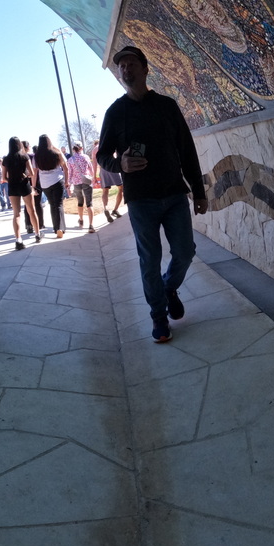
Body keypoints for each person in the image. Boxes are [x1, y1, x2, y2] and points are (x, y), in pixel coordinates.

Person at [97, 45, 208, 343]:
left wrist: (199, 192)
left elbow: (187, 150)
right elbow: (103, 156)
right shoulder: (115, 112)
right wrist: (120, 165)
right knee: (150, 259)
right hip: (140, 200)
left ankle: (168, 287)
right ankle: (158, 316)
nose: (125, 69)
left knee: (185, 252)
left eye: (131, 63)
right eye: (121, 65)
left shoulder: (167, 106)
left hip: (174, 194)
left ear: (146, 69)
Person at [1, 136, 41, 250]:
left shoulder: (6, 159)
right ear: (19, 145)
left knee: (16, 214)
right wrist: (25, 175)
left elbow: (4, 177)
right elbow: (32, 173)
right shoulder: (24, 156)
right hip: (24, 184)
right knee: (31, 210)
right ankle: (37, 234)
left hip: (12, 186)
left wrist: (11, 179)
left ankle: (18, 240)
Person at [34, 134, 69, 237]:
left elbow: (35, 173)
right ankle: (60, 228)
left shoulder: (37, 156)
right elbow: (66, 168)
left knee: (52, 204)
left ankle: (56, 228)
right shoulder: (56, 153)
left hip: (45, 184)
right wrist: (67, 181)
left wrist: (33, 186)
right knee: (59, 204)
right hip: (57, 180)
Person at [68, 141, 96, 234]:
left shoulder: (70, 160)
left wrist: (69, 185)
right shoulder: (86, 157)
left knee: (80, 202)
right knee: (89, 203)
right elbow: (91, 169)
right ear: (81, 148)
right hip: (86, 181)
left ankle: (81, 220)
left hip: (76, 183)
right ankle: (91, 225)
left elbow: (70, 174)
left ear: (73, 149)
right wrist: (93, 178)